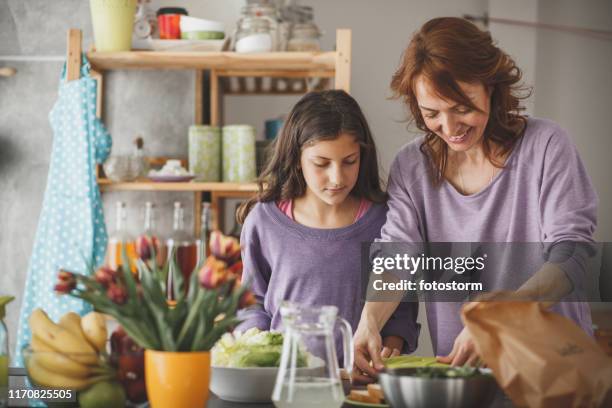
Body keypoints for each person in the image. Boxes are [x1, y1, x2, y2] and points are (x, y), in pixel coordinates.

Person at [353, 17, 597, 378]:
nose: (449, 129)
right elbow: (397, 256)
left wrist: (499, 316)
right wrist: (369, 320)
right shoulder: (411, 165)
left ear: (492, 88)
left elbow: (573, 254)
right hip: (462, 377)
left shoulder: (547, 146)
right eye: (431, 113)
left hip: (554, 376)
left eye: (462, 107)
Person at [236, 90, 420, 361]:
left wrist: (392, 342)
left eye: (349, 162)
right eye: (321, 163)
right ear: (296, 159)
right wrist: (256, 343)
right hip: (285, 380)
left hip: (363, 382)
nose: (337, 178)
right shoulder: (263, 222)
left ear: (363, 156)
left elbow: (401, 301)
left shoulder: (386, 222)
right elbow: (251, 302)